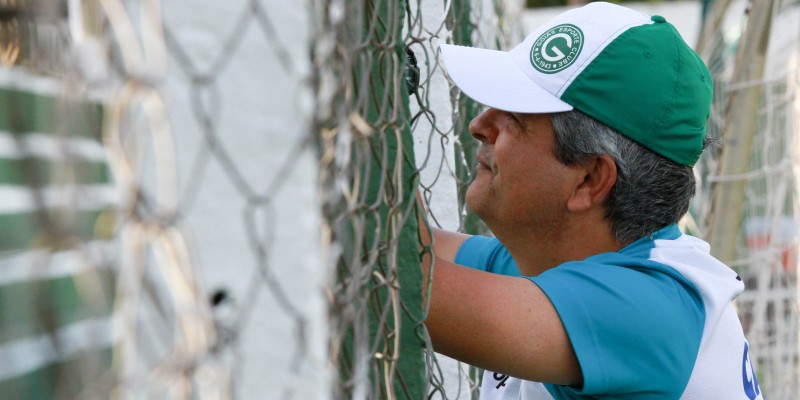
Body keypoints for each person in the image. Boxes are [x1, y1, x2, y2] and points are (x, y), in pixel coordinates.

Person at [422, 2, 762, 399]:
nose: (479, 125)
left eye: (514, 118)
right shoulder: (574, 258)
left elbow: (406, 278)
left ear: (590, 178)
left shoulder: (647, 311)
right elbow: (411, 247)